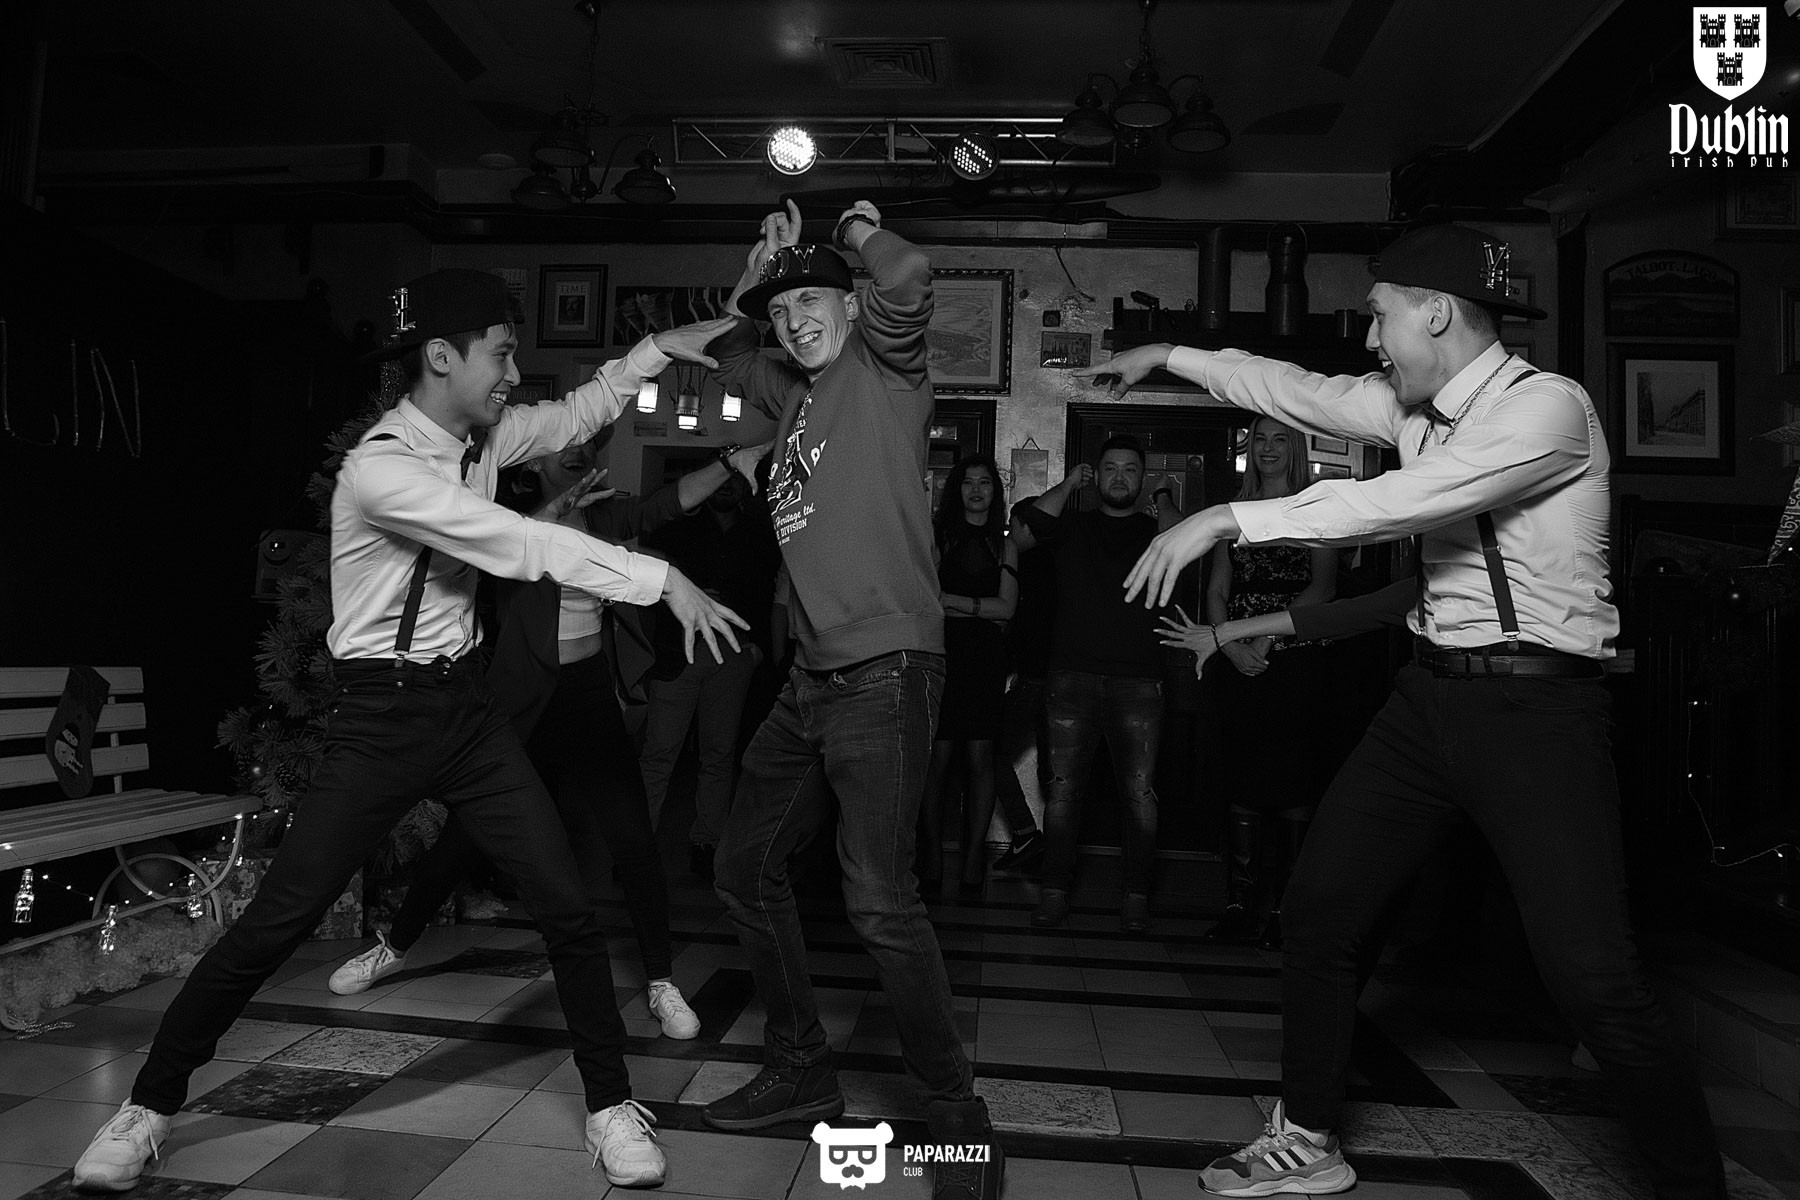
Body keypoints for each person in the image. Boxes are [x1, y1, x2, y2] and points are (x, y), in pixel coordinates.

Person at [1082, 224, 1724, 1199]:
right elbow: (1295, 389)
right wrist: (1172, 353)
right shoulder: (1412, 407)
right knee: (1320, 912)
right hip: (1425, 701)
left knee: (1595, 981)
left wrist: (1229, 516)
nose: (1372, 338)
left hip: (1535, 712)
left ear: (1436, 312)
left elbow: (1405, 502)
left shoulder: (1548, 409)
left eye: (1380, 316)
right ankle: (1307, 1139)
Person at [71, 269, 745, 1193]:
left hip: (467, 713)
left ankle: (609, 1107)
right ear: (441, 355)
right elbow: (514, 542)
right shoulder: (381, 469)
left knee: (566, 906)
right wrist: (659, 578)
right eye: (501, 353)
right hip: (380, 720)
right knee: (275, 923)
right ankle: (146, 1107)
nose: (514, 373)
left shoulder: (485, 436)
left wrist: (656, 350)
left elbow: (576, 413)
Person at [699, 201, 1004, 1200]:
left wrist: (857, 226)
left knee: (877, 896)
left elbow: (910, 277)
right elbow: (728, 353)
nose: (794, 323)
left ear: (851, 305)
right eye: (784, 314)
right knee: (744, 869)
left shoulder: (883, 370)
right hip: (809, 683)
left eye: (812, 303)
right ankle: (800, 1065)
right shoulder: (792, 395)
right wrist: (755, 281)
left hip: (887, 669)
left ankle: (957, 1120)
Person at [325, 433, 769, 1043]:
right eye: (562, 443)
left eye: (585, 442)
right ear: (533, 460)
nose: (577, 450)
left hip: (587, 693)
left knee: (633, 838)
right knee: (466, 833)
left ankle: (661, 981)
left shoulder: (605, 516)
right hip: (521, 696)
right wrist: (552, 513)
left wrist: (727, 460)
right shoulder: (504, 521)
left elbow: (671, 501)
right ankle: (394, 947)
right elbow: (505, 548)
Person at [1013, 437, 1170, 933]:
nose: (1119, 477)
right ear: (1095, 476)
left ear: (1141, 479)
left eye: (1130, 469)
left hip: (1139, 681)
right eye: (1109, 468)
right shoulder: (1073, 525)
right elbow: (1027, 528)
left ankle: (1136, 896)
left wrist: (1163, 497)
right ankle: (1054, 892)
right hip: (1071, 679)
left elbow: (1185, 540)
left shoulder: (1154, 531)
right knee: (1062, 795)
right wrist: (1068, 484)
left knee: (1140, 796)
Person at [1197, 416, 1337, 948]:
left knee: (1293, 784)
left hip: (1295, 661)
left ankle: (1285, 912)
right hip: (1237, 661)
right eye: (1261, 439)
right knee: (1243, 780)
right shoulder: (1233, 513)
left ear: (1295, 448)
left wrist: (1264, 640)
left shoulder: (1319, 507)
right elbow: (1217, 591)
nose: (1269, 448)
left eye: (1281, 439)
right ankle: (1239, 906)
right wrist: (1228, 644)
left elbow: (1322, 589)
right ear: (1249, 447)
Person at [638, 455, 781, 881]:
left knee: (719, 754)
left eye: (736, 480)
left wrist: (756, 651)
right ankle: (637, 848)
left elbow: (770, 595)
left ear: (745, 487)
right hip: (678, 653)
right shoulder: (677, 529)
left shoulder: (759, 535)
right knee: (658, 754)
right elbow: (648, 581)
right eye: (722, 479)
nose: (727, 486)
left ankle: (708, 842)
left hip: (732, 655)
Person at [919, 454, 1018, 895]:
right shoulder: (938, 536)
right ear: (955, 490)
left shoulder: (1005, 544)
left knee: (980, 756)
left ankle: (974, 857)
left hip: (985, 661)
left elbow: (1007, 608)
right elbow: (927, 600)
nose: (976, 490)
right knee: (937, 757)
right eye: (967, 482)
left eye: (985, 483)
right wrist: (980, 608)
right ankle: (932, 854)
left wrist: (955, 603)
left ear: (995, 492)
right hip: (941, 655)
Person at [987, 496, 1054, 873]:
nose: (1009, 534)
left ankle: (1028, 833)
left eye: (1014, 526)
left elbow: (1023, 626)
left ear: (1028, 527)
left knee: (989, 751)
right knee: (1055, 771)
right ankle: (1055, 851)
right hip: (1054, 678)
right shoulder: (1056, 563)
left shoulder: (1029, 566)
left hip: (1035, 679)